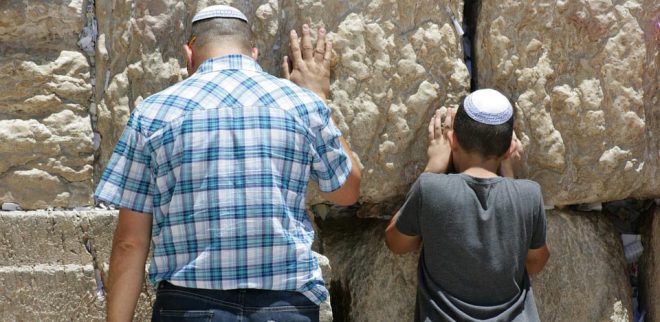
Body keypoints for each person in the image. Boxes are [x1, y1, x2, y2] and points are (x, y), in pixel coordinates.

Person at [94, 5, 361, 322]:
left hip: (188, 308)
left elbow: (130, 243)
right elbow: (347, 191)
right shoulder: (303, 106)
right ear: (254, 53)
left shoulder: (152, 114)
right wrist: (318, 98)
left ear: (188, 55)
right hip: (284, 308)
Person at [385, 89, 550, 322]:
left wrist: (432, 167)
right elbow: (535, 262)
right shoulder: (529, 195)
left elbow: (396, 243)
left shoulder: (431, 188)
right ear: (509, 150)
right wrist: (511, 176)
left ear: (452, 141)